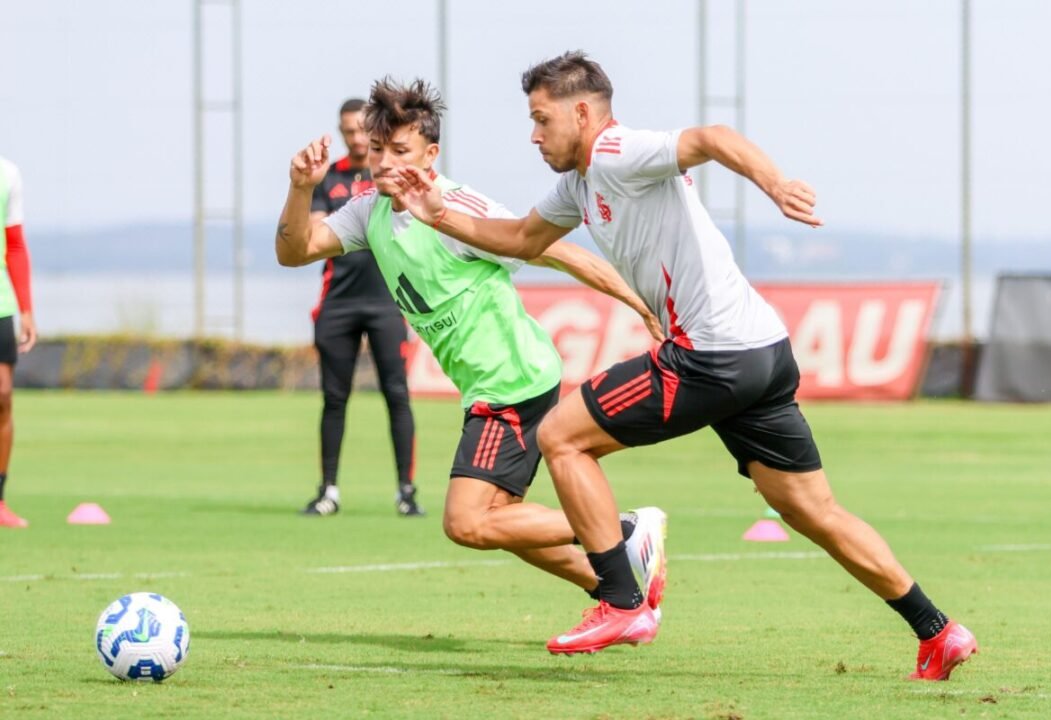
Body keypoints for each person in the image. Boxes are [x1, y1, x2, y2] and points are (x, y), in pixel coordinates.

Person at [389, 51, 978, 677]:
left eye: (542, 119)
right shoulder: (578, 183)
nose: (533, 136)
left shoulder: (615, 151)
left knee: (560, 436)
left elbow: (712, 138)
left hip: (712, 354)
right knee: (814, 512)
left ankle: (620, 599)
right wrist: (436, 213)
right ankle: (938, 631)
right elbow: (520, 240)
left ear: (582, 112)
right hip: (763, 352)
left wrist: (775, 184)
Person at [275, 77, 668, 617]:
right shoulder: (370, 213)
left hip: (512, 384)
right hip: (496, 385)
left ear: (431, 154)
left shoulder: (455, 210)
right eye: (378, 150)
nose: (386, 162)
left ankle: (624, 532)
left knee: (468, 522)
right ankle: (623, 595)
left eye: (401, 151)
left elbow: (559, 254)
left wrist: (640, 302)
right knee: (502, 520)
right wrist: (300, 188)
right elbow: (295, 251)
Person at [303, 98, 421, 517]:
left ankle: (406, 492)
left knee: (397, 395)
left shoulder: (390, 177)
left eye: (360, 131)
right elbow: (315, 233)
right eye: (347, 131)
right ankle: (328, 491)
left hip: (386, 303)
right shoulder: (328, 179)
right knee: (334, 399)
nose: (354, 137)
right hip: (337, 303)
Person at [0, 156, 37, 528]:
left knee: (3, 395)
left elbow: (14, 245)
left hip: (0, 304)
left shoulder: (7, 174)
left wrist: (26, 308)